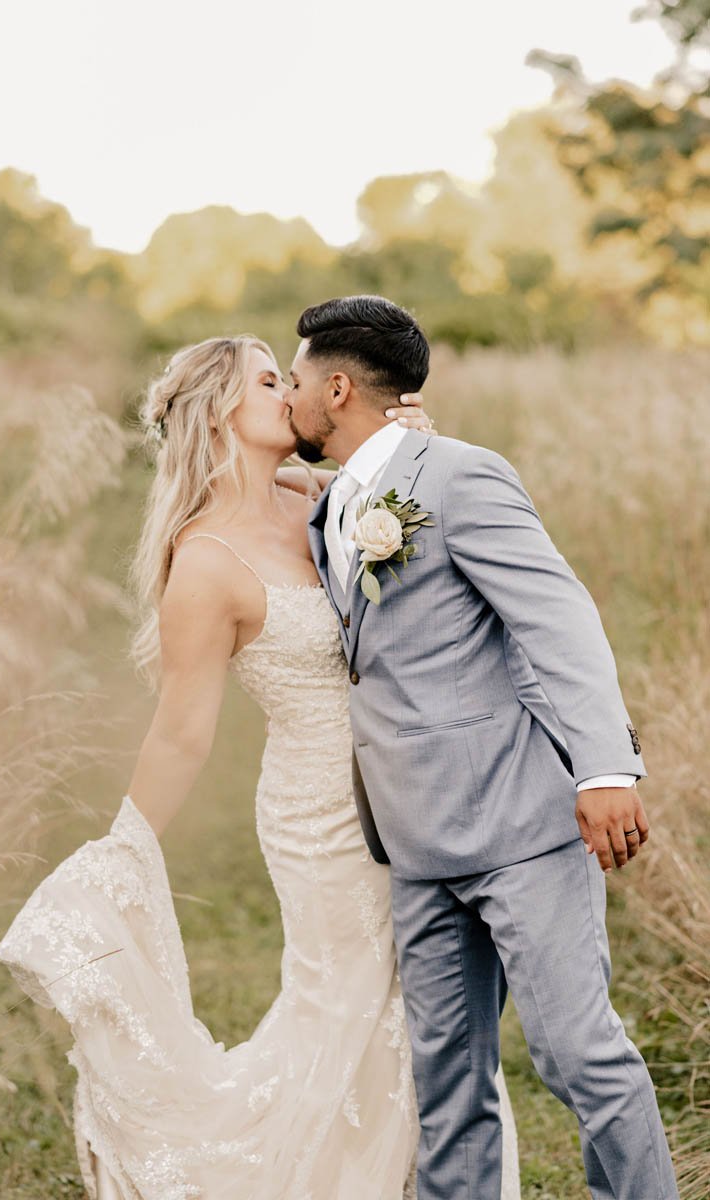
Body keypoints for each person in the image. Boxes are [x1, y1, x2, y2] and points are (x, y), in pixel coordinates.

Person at [0, 333, 521, 1200]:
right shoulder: (204, 564)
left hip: (409, 783)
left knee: (425, 993)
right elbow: (181, 732)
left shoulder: (313, 494)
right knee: (350, 1005)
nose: (295, 390)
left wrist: (412, 443)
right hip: (318, 813)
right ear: (219, 412)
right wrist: (126, 846)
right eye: (271, 380)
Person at [288, 294, 679, 1200]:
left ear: (338, 386)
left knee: (579, 1056)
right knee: (447, 1083)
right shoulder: (335, 502)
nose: (291, 399)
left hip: (521, 822)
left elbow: (559, 617)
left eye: (297, 380)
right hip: (415, 838)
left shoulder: (461, 476)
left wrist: (605, 768)